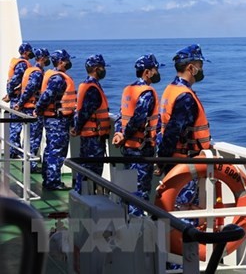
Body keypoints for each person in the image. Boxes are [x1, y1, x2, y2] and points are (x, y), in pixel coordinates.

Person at [157, 44, 211, 205]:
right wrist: (162, 160)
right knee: (184, 209)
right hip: (183, 163)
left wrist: (162, 158)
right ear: (191, 68)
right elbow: (173, 131)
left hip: (173, 160)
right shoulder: (185, 97)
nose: (201, 70)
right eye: (200, 66)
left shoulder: (171, 89)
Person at [112, 54, 162, 215]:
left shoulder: (128, 90)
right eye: (155, 70)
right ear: (147, 72)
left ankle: (125, 222)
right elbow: (138, 119)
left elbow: (121, 116)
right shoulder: (146, 93)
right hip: (141, 150)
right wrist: (125, 135)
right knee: (139, 191)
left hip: (127, 148)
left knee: (128, 188)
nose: (157, 73)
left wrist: (119, 134)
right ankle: (137, 230)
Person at [35, 49, 76, 191]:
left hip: (54, 119)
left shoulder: (52, 74)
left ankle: (49, 179)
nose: (69, 62)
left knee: (51, 149)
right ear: (61, 62)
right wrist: (38, 109)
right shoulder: (58, 78)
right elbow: (47, 96)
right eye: (66, 60)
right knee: (56, 151)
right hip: (57, 120)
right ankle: (52, 181)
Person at [72, 54, 110, 193]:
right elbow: (85, 112)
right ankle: (84, 196)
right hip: (92, 137)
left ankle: (83, 195)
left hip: (89, 135)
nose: (104, 70)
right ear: (95, 68)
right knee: (92, 170)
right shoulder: (92, 88)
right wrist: (77, 128)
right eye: (102, 67)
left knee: (86, 168)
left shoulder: (86, 85)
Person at [15, 47, 50, 173]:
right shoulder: (37, 73)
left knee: (30, 137)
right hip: (32, 110)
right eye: (46, 58)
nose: (48, 60)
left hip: (28, 109)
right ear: (42, 58)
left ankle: (28, 164)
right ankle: (30, 166)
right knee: (34, 139)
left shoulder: (31, 70)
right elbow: (30, 89)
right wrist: (20, 103)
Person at [3, 42, 34, 158]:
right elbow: (14, 81)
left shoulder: (20, 63)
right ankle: (14, 151)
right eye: (30, 51)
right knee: (15, 125)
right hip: (17, 98)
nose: (32, 54)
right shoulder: (22, 65)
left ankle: (14, 150)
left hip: (16, 97)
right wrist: (11, 95)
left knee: (14, 124)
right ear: (26, 52)